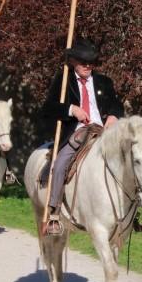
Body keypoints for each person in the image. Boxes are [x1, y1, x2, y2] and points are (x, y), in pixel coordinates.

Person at [40, 38, 124, 236]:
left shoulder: (104, 81)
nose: (88, 65)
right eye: (83, 61)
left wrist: (113, 115)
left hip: (103, 131)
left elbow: (116, 105)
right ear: (73, 61)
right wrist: (71, 109)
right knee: (60, 164)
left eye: (91, 61)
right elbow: (47, 108)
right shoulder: (63, 81)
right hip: (77, 131)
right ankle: (54, 212)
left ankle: (131, 211)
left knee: (130, 158)